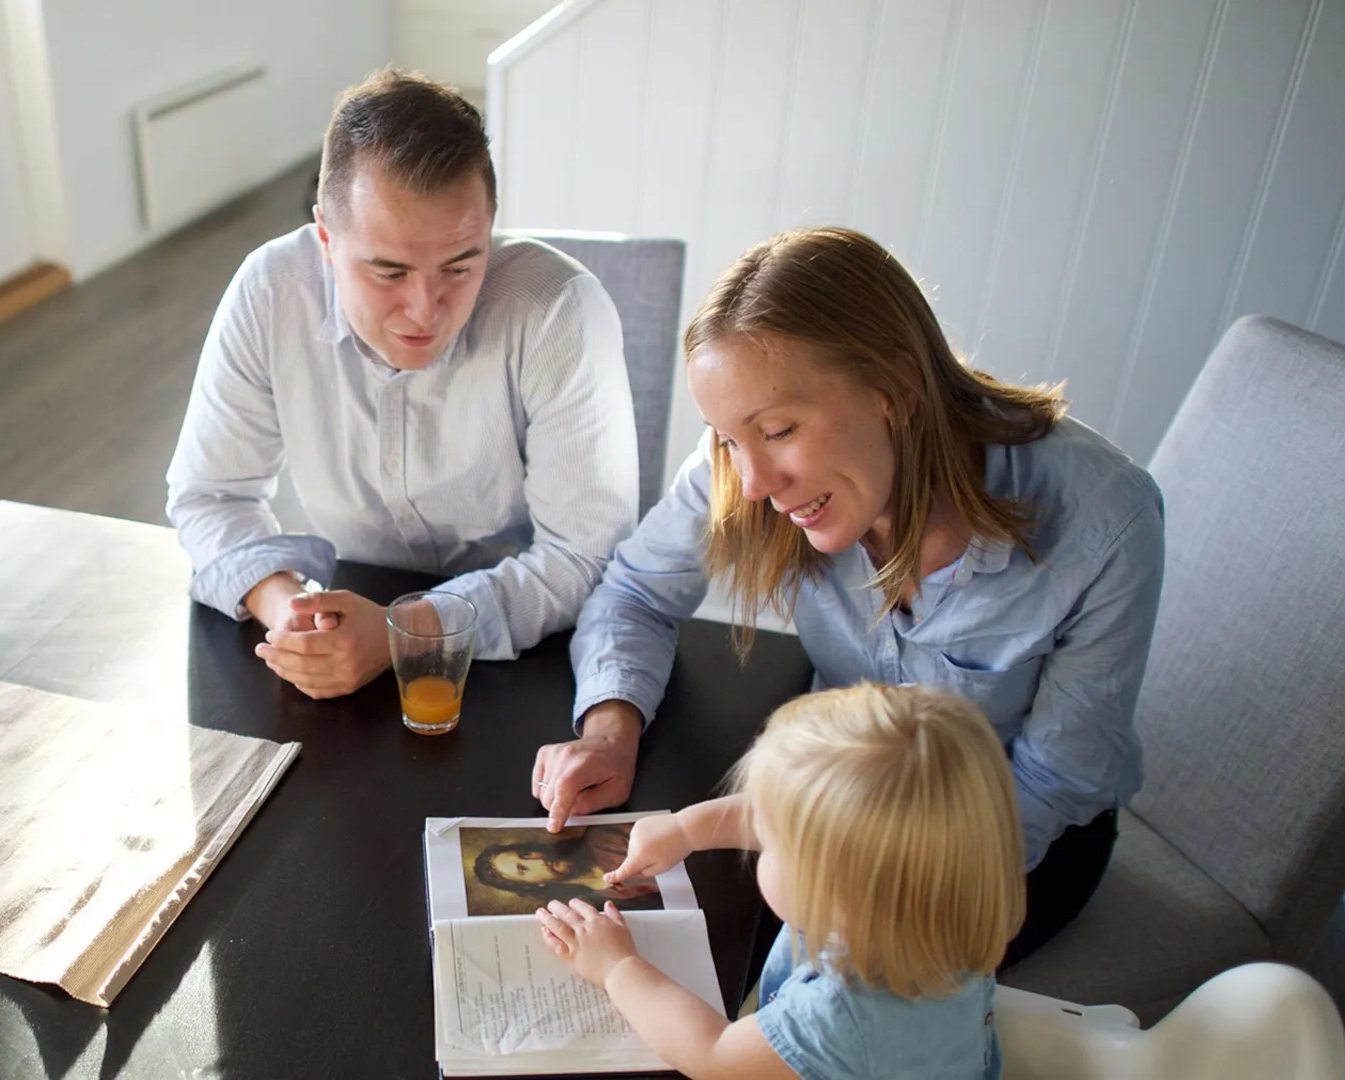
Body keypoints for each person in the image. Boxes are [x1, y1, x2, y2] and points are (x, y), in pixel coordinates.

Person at [532, 226, 1162, 963]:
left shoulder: (1105, 519)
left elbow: (1052, 784)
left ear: (894, 389)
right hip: (832, 794)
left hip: (1003, 842)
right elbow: (636, 590)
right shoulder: (745, 468)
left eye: (778, 430)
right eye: (728, 439)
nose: (756, 484)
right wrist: (610, 730)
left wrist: (836, 876)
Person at [165, 69, 638, 700]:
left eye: (460, 265)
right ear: (326, 241)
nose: (425, 309)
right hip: (341, 625)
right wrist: (287, 610)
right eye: (389, 272)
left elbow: (587, 557)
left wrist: (404, 632)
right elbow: (209, 496)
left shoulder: (558, 310)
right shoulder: (270, 290)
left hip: (531, 654)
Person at [537, 683, 1024, 1080]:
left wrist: (615, 965)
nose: (757, 833)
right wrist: (688, 829)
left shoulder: (838, 1013)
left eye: (769, 841)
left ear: (829, 883)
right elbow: (792, 816)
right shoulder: (938, 903)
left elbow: (713, 1055)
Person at [471, 825, 660, 911]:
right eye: (523, 869)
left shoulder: (603, 837)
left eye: (526, 854)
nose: (538, 861)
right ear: (533, 886)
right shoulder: (593, 909)